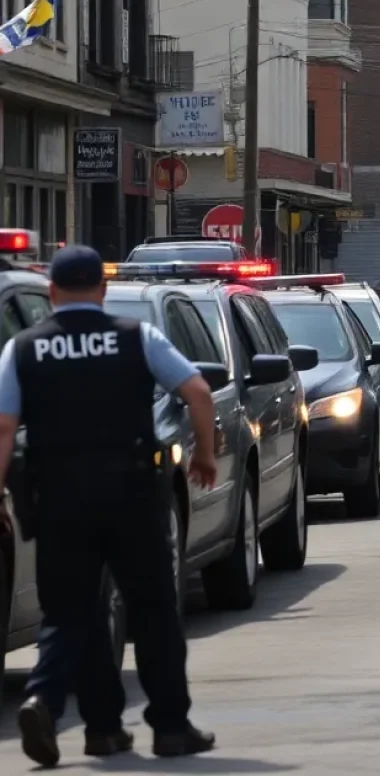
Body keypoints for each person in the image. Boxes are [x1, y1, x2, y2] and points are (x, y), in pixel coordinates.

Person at [0, 245, 217, 767]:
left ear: (51, 293)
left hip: (56, 500)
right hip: (133, 496)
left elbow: (4, 427)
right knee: (153, 611)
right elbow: (198, 391)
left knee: (72, 612)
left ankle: (60, 710)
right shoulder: (136, 336)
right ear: (101, 290)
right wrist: (205, 455)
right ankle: (169, 728)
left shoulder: (23, 349)